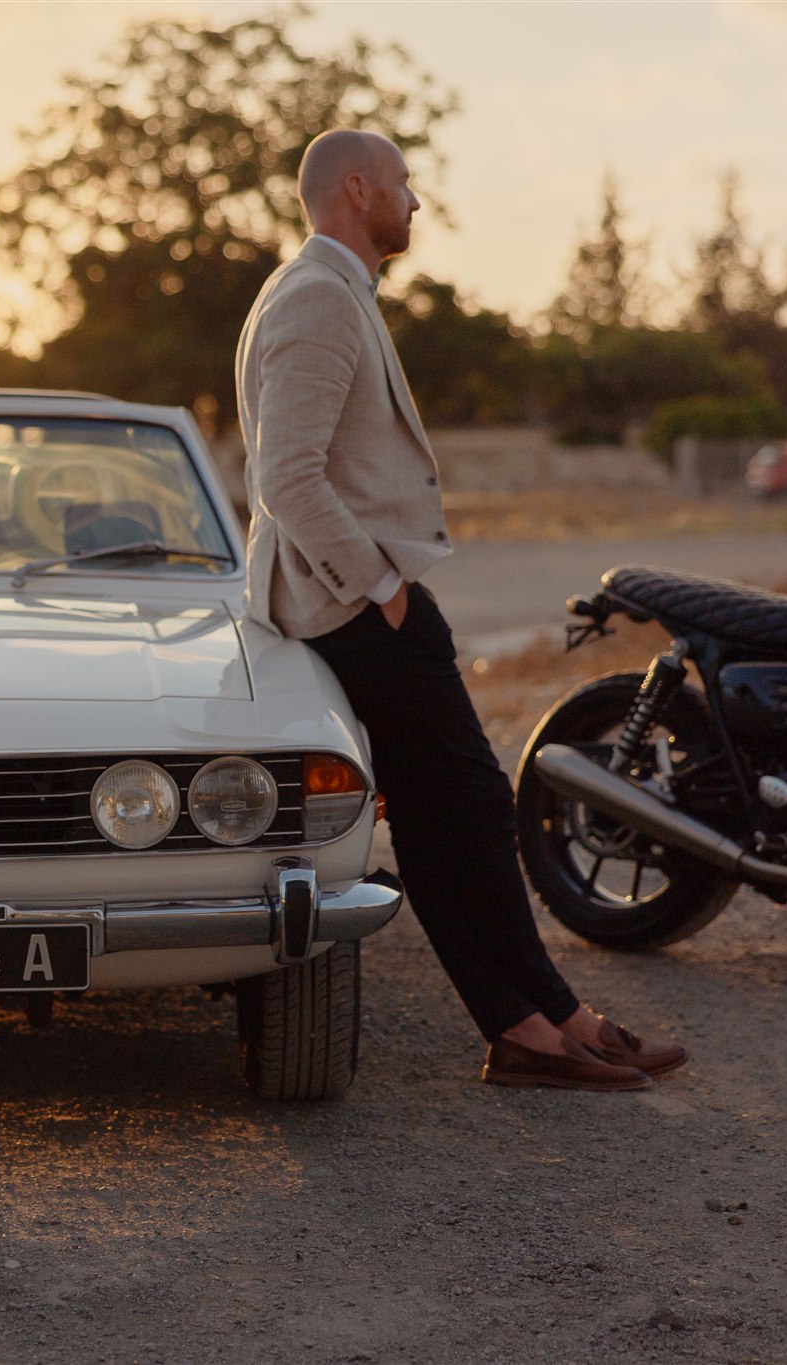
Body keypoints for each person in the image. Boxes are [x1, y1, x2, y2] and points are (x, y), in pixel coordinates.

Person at [235, 128, 684, 1091]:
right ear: (357, 190)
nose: (415, 201)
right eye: (403, 184)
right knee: (475, 809)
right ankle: (539, 1023)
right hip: (356, 607)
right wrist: (385, 589)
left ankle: (542, 1022)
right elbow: (285, 477)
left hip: (357, 602)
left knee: (446, 823)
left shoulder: (323, 286)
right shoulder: (318, 295)